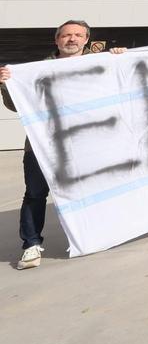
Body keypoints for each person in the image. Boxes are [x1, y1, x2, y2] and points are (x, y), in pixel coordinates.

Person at [0, 19, 126, 269]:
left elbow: (120, 87)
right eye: (66, 35)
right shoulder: (34, 70)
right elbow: (15, 105)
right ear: (56, 40)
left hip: (84, 142)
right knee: (36, 194)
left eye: (78, 35)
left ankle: (94, 237)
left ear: (86, 40)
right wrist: (6, 85)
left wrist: (120, 59)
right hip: (41, 145)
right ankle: (31, 245)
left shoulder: (99, 63)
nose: (72, 39)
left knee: (90, 190)